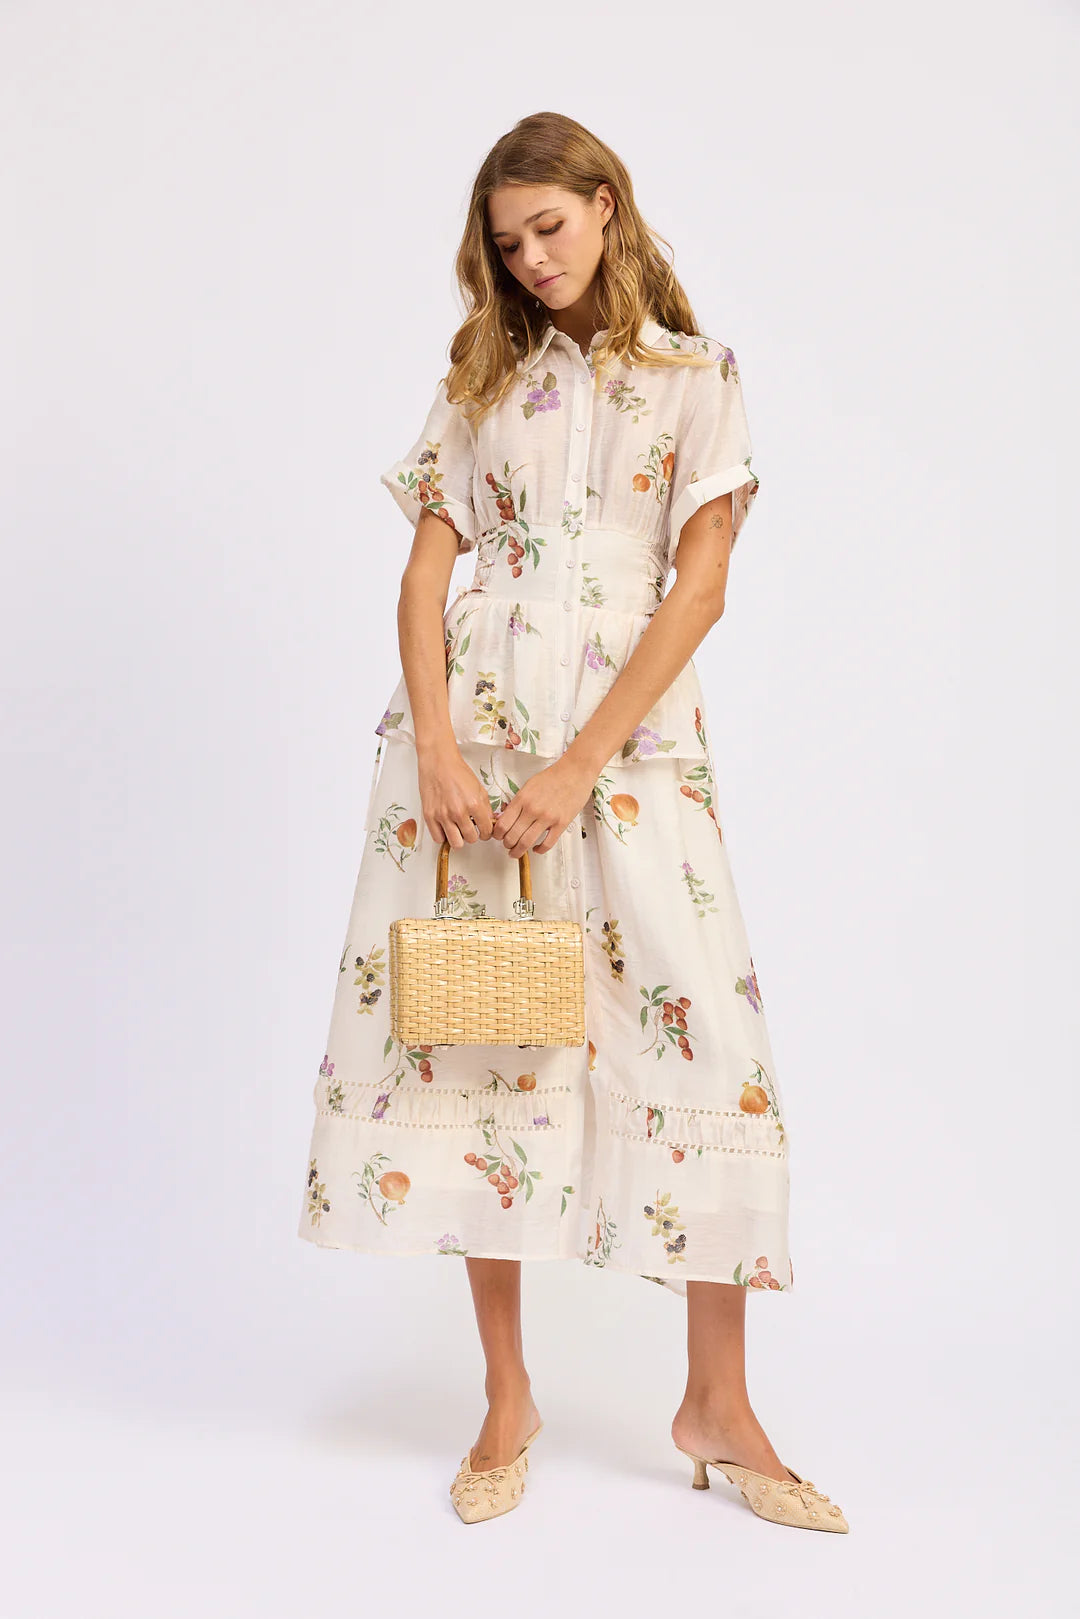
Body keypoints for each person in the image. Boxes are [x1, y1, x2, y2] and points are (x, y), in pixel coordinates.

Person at [298, 111, 848, 1534]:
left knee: (704, 1044)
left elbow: (699, 589)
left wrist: (581, 766)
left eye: (548, 227)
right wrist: (436, 749)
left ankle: (718, 1403)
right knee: (486, 1040)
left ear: (607, 204)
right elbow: (424, 580)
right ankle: (506, 1398)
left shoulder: (694, 379)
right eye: (507, 243)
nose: (531, 259)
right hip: (474, 747)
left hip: (631, 747)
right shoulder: (479, 381)